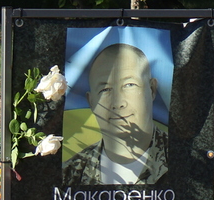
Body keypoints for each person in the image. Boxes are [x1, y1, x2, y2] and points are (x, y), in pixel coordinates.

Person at [63, 43, 168, 185]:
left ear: (152, 90)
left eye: (129, 85)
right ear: (91, 102)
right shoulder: (69, 175)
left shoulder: (184, 161)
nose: (118, 103)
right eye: (105, 90)